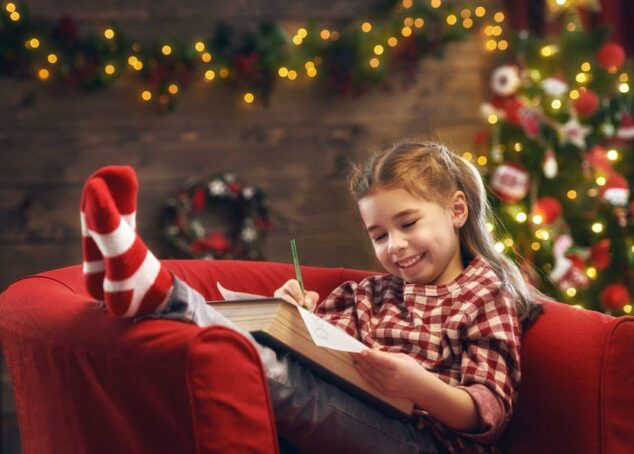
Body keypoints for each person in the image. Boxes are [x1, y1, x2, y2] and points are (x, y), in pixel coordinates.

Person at [79, 141, 544, 453]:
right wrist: (295, 316)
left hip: (420, 442)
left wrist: (417, 384)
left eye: (408, 224)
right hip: (355, 418)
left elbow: (488, 413)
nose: (395, 247)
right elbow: (323, 354)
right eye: (379, 235)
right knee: (266, 362)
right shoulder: (371, 292)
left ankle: (159, 294)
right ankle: (130, 290)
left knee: (273, 378)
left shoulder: (486, 294)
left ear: (456, 210)